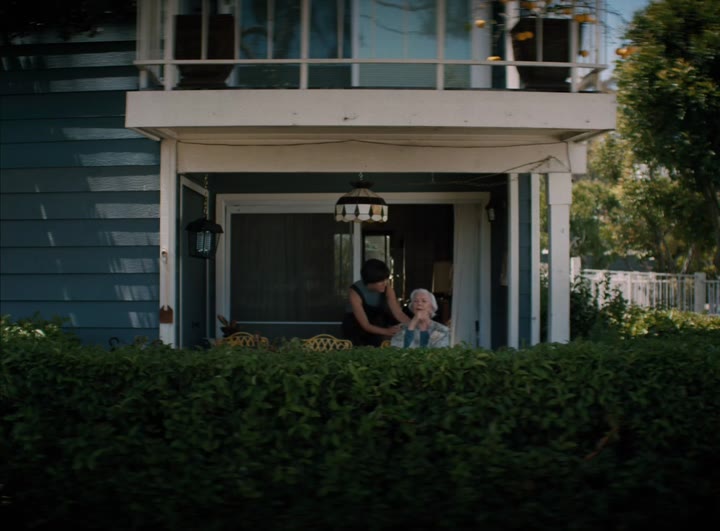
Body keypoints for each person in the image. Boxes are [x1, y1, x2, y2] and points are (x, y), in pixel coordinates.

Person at [342, 259, 410, 347]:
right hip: (357, 327)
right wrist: (387, 331)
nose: (385, 283)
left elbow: (398, 313)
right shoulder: (354, 292)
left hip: (377, 322)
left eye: (386, 279)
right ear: (370, 282)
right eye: (381, 281)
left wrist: (413, 324)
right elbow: (365, 325)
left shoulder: (387, 288)